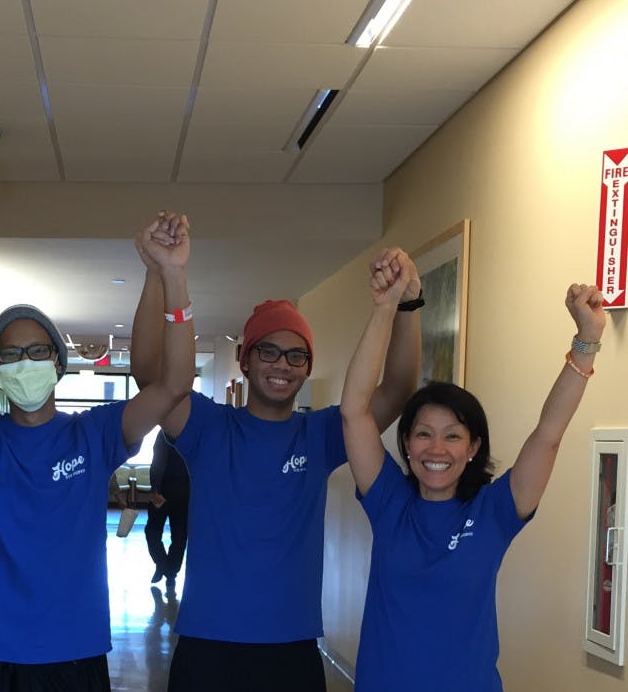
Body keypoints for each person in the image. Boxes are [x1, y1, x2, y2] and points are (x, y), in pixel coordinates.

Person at [0, 210, 197, 692]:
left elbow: (173, 383)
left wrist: (169, 275)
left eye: (36, 351)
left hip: (75, 652)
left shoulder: (94, 434)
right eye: (10, 354)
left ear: (57, 362)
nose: (24, 362)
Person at [130, 212, 422, 692]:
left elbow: (398, 389)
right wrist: (161, 274)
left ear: (307, 367)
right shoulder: (208, 427)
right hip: (207, 646)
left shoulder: (320, 434)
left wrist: (407, 304)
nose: (282, 365)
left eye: (296, 355)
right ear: (245, 360)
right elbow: (148, 372)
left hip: (291, 648)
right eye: (268, 351)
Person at [341, 261, 607, 692]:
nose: (437, 449)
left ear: (473, 448)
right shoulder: (389, 502)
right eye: (423, 434)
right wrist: (385, 308)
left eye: (453, 436)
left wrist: (586, 341)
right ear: (406, 443)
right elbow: (354, 411)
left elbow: (548, 435)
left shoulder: (494, 512)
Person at [144, 431, 189, 593]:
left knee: (179, 536)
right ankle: (162, 564)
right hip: (161, 493)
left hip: (183, 495)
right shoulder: (164, 434)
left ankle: (170, 573)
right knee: (152, 532)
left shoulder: (193, 433)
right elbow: (157, 460)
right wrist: (155, 489)